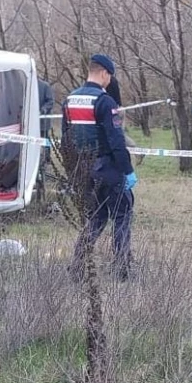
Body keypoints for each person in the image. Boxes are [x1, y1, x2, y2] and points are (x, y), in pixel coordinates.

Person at [62, 53, 136, 280]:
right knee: (122, 214)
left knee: (95, 217)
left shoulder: (70, 100)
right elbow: (116, 140)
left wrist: (72, 172)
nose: (109, 81)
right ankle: (122, 269)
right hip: (108, 168)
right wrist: (128, 170)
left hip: (82, 169)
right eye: (109, 77)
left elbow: (65, 140)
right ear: (104, 73)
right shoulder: (105, 102)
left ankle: (77, 266)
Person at [35, 77, 55, 194]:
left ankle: (46, 161)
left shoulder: (45, 86)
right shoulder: (26, 85)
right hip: (30, 124)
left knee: (44, 142)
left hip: (42, 123)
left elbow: (50, 101)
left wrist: (42, 110)